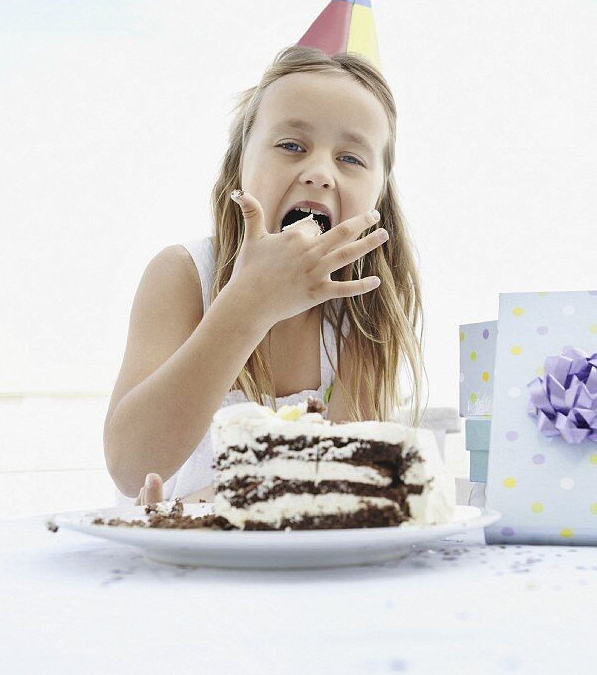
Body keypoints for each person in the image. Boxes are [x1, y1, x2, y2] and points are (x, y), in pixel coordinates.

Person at [103, 44, 425, 507]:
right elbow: (133, 469)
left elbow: (345, 485)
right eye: (292, 146)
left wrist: (231, 496)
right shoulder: (183, 275)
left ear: (380, 196)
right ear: (239, 163)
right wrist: (249, 303)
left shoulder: (364, 311)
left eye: (351, 158)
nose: (319, 173)